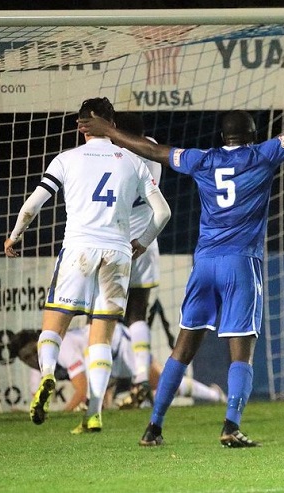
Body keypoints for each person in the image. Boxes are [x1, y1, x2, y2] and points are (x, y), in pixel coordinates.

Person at [78, 54, 284, 447]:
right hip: (240, 263)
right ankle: (230, 425)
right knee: (241, 352)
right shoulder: (263, 155)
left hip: (204, 264)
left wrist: (108, 132)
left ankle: (153, 427)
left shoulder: (204, 159)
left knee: (183, 348)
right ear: (252, 135)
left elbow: (154, 152)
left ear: (223, 138)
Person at [4, 97, 172, 433]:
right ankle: (94, 412)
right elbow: (163, 212)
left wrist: (14, 236)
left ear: (82, 127)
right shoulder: (132, 160)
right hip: (118, 253)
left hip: (78, 250)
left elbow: (32, 205)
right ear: (111, 124)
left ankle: (48, 374)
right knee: (101, 337)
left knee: (53, 325)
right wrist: (142, 241)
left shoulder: (66, 159)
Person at [9, 324, 225, 418]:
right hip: (101, 367)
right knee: (107, 407)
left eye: (31, 354)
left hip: (116, 346)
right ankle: (135, 400)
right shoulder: (39, 369)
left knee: (163, 383)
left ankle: (216, 396)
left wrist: (62, 416)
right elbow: (38, 407)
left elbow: (82, 390)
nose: (31, 361)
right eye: (25, 359)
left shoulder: (62, 347)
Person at [115, 113, 164, 407]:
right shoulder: (153, 148)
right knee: (137, 313)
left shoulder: (115, 157)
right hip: (146, 241)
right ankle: (140, 378)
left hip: (114, 243)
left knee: (100, 317)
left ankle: (102, 390)